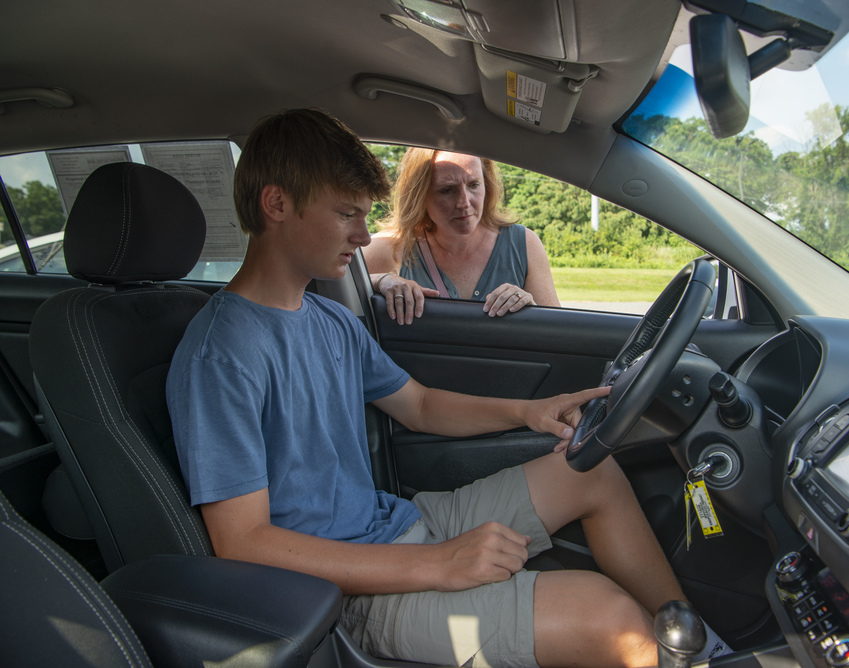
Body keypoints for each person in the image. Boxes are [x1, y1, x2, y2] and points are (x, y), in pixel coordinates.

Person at [167, 108, 728, 668]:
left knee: (591, 470)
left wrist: (529, 411)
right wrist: (439, 564)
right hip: (344, 591)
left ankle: (698, 648)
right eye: (346, 215)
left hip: (400, 523)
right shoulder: (222, 353)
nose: (364, 235)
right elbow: (243, 543)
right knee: (614, 626)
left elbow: (419, 404)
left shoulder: (327, 318)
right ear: (276, 204)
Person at [365, 148, 560, 325]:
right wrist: (380, 281)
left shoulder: (525, 244)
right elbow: (337, 293)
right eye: (447, 190)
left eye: (474, 185)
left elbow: (559, 336)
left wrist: (531, 309)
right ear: (420, 195)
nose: (464, 203)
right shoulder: (391, 246)